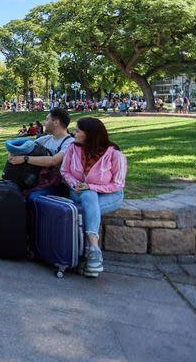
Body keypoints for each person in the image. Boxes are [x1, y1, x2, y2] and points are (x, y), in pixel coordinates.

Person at [61, 117, 126, 278]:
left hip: (110, 195)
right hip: (78, 192)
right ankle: (94, 251)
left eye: (77, 130)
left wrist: (91, 186)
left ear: (89, 134)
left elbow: (117, 184)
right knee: (89, 197)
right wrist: (75, 183)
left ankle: (88, 256)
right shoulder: (72, 148)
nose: (73, 133)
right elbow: (65, 171)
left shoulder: (114, 154)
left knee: (86, 206)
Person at [6, 107, 75, 200]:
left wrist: (25, 159)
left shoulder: (70, 142)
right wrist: (13, 153)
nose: (44, 123)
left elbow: (53, 161)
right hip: (38, 180)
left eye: (47, 119)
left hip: (58, 185)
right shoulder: (45, 139)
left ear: (56, 122)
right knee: (12, 191)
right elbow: (26, 147)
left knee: (33, 197)